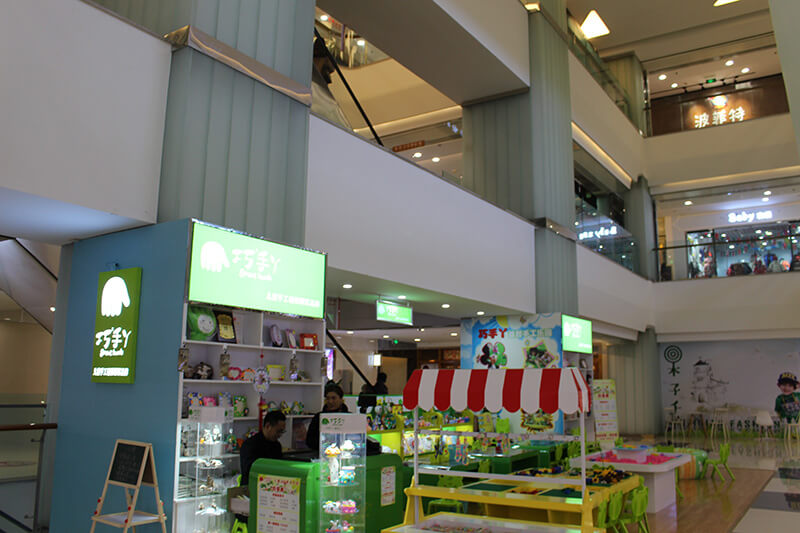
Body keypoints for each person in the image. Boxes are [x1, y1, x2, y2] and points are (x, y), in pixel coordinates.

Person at [239, 410, 286, 486]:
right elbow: (249, 470)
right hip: (251, 487)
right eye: (278, 431)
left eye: (282, 432)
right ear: (268, 426)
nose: (280, 435)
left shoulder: (276, 445)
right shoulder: (250, 444)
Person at [306, 381, 349, 450]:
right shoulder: (318, 417)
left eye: (333, 398)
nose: (330, 401)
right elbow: (310, 441)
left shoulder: (350, 417)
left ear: (341, 399)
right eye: (328, 398)